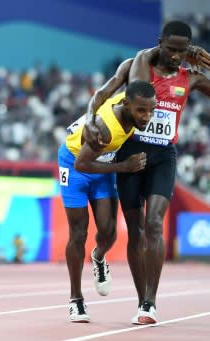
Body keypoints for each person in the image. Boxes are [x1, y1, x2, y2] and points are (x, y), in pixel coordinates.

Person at [85, 20, 210, 325]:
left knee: (154, 223)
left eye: (182, 51)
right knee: (136, 230)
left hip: (163, 156)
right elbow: (103, 93)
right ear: (160, 43)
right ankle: (140, 294)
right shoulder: (138, 66)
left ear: (190, 51)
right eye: (170, 49)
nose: (175, 56)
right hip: (132, 151)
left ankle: (149, 303)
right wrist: (92, 120)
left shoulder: (191, 77)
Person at [59, 80, 156, 322]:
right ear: (127, 104)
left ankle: (99, 256)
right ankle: (76, 300)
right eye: (141, 111)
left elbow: (115, 79)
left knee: (109, 232)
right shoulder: (106, 129)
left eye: (151, 110)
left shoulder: (129, 101)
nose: (147, 117)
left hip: (101, 163)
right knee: (78, 233)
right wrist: (124, 166)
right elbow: (82, 163)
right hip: (74, 165)